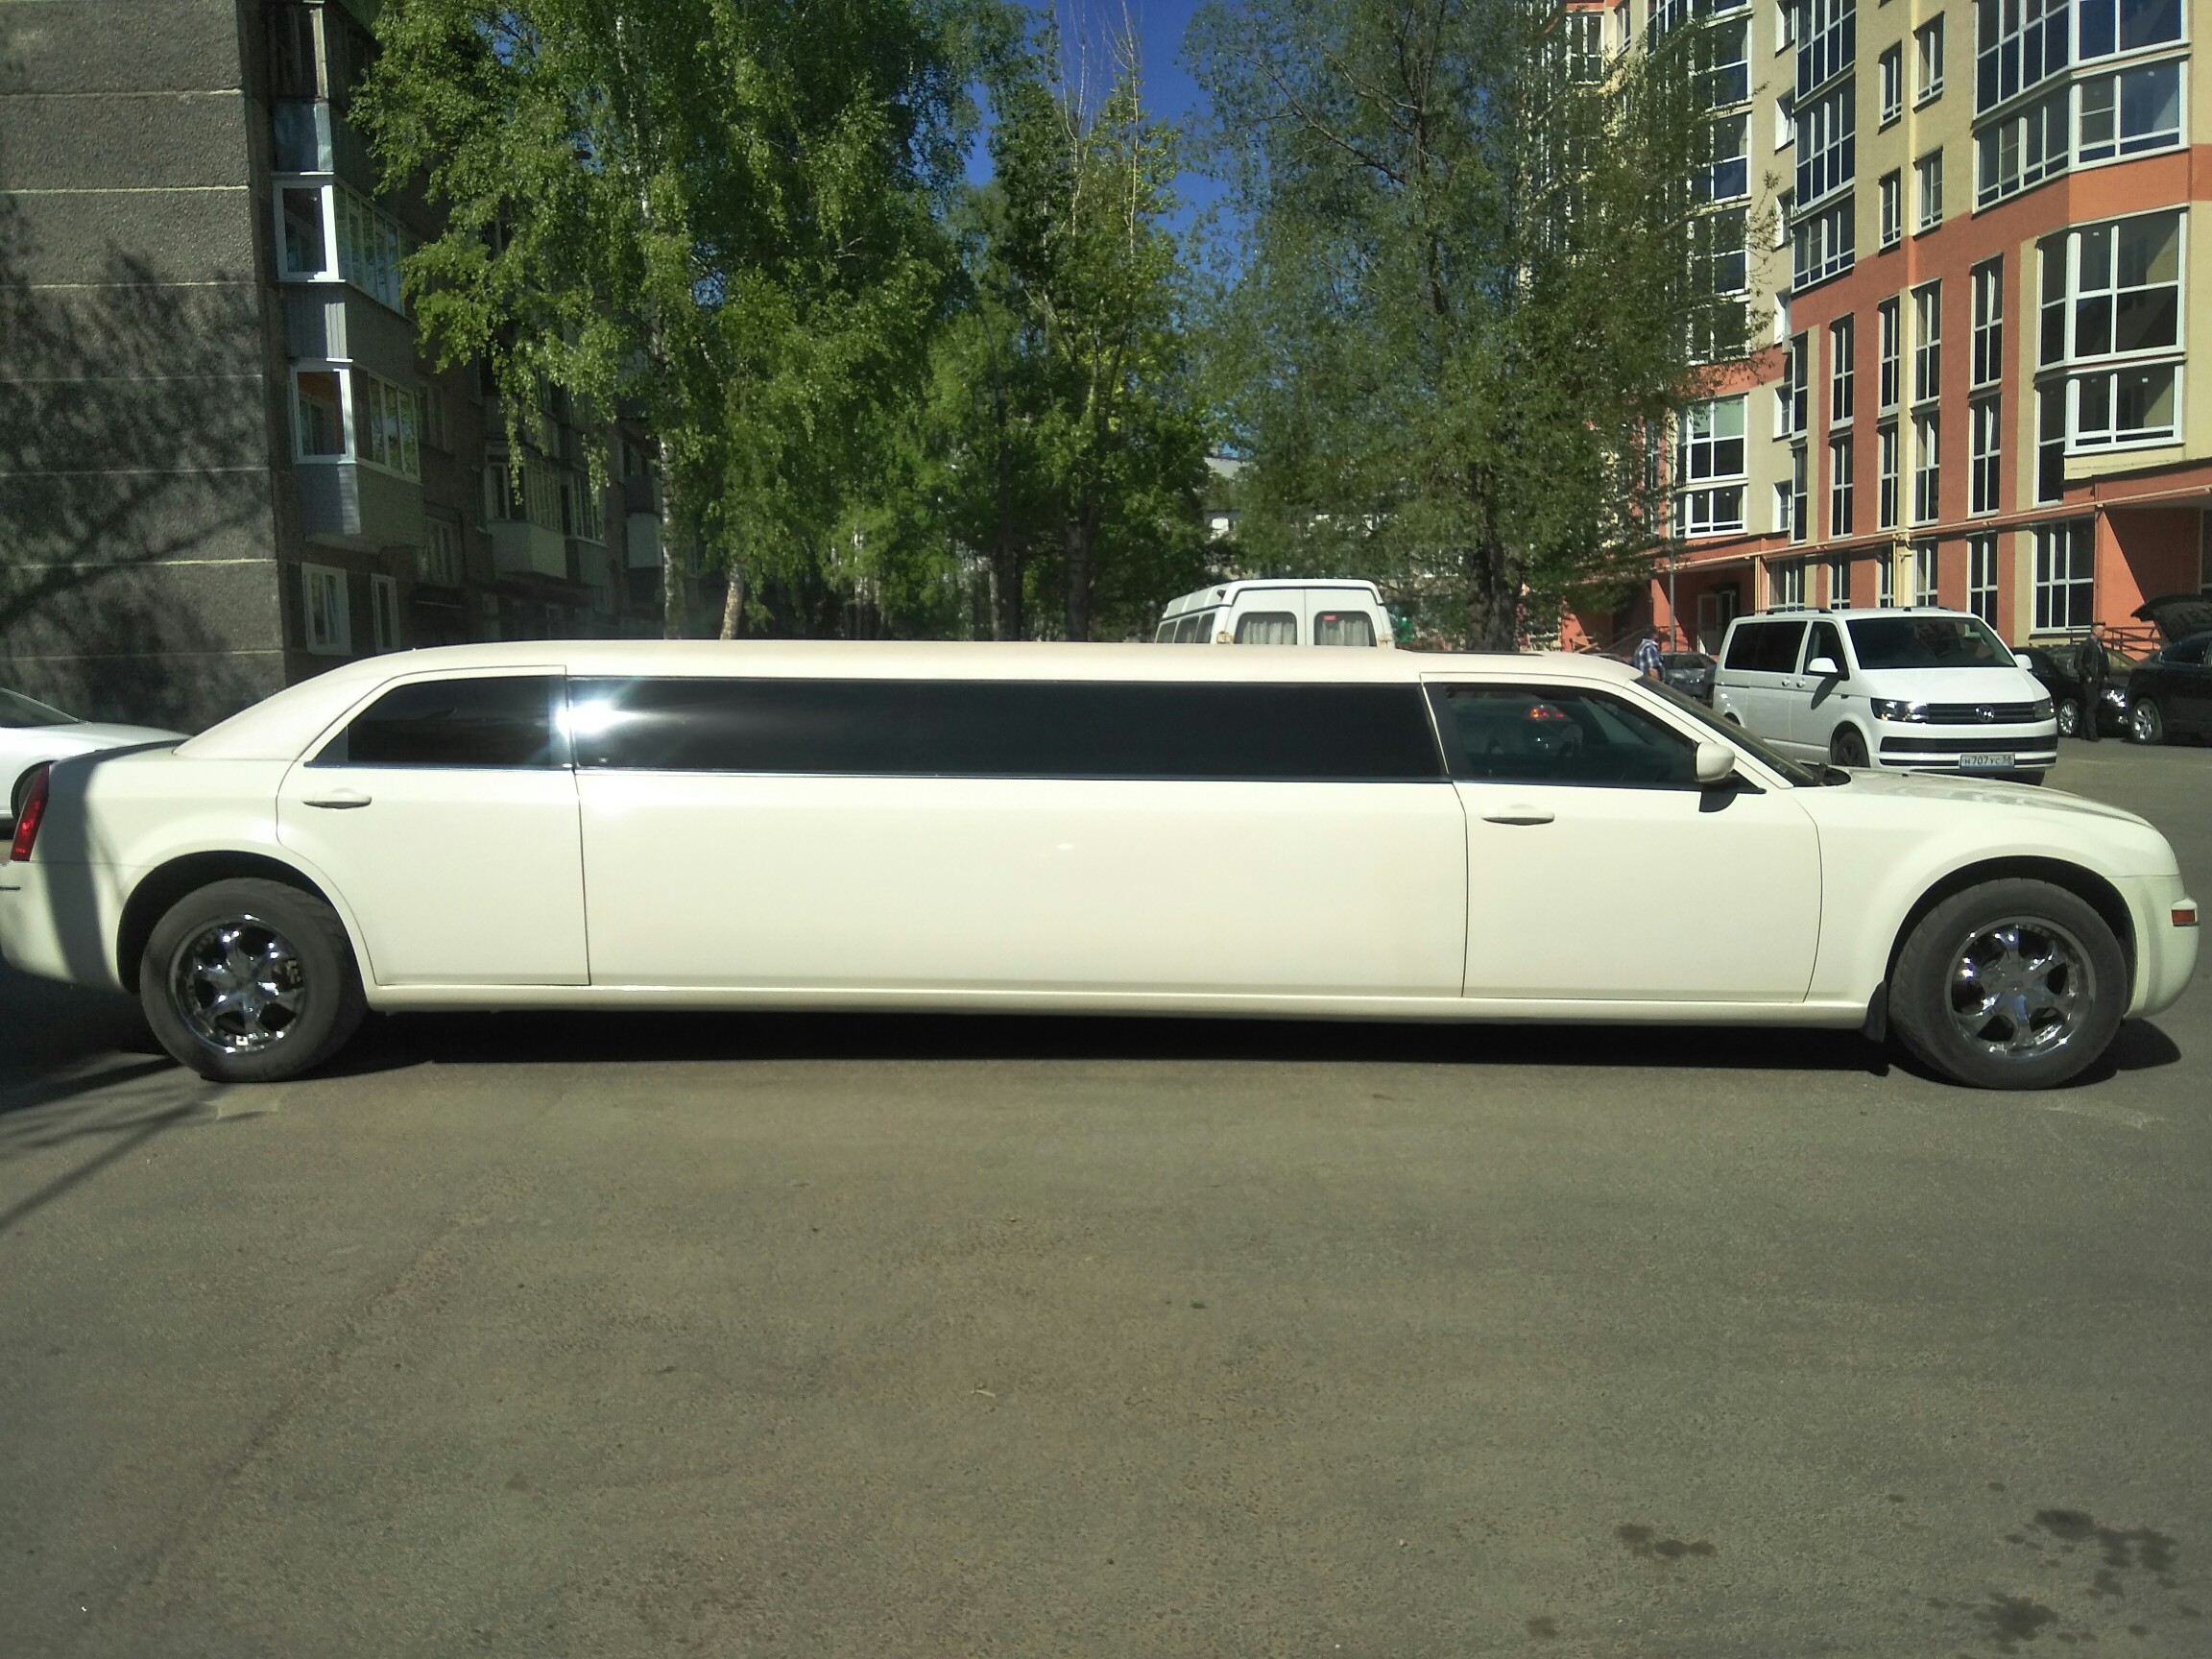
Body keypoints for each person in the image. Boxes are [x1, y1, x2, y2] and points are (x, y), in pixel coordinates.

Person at [2073, 628, 2106, 743]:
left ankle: (2083, 733)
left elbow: (2103, 662)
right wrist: (2087, 676)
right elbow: (2078, 663)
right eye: (2102, 631)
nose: (2104, 633)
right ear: (2095, 632)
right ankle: (2092, 734)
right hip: (2089, 681)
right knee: (2091, 706)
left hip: (2098, 680)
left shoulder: (2100, 645)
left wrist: (2105, 675)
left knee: (2090, 706)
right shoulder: (2086, 645)